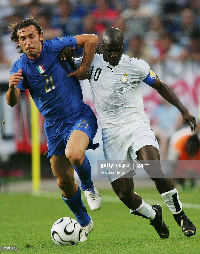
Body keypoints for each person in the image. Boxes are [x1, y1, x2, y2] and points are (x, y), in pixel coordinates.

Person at [60, 27, 197, 238]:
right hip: (112, 135)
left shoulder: (135, 66)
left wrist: (185, 111)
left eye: (118, 50)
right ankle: (154, 216)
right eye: (110, 51)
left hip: (137, 126)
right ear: (102, 48)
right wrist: (67, 56)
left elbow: (160, 85)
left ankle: (180, 216)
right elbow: (68, 66)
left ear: (122, 47)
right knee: (124, 194)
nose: (114, 55)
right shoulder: (91, 62)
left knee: (153, 168)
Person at [6, 17, 102, 242]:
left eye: (31, 36)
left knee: (75, 154)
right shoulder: (20, 67)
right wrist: (11, 87)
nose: (28, 42)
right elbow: (12, 101)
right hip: (54, 127)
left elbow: (92, 39)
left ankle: (89, 188)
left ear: (40, 35)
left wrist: (84, 69)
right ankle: (85, 222)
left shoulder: (55, 46)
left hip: (78, 114)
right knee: (63, 182)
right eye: (23, 39)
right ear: (19, 43)